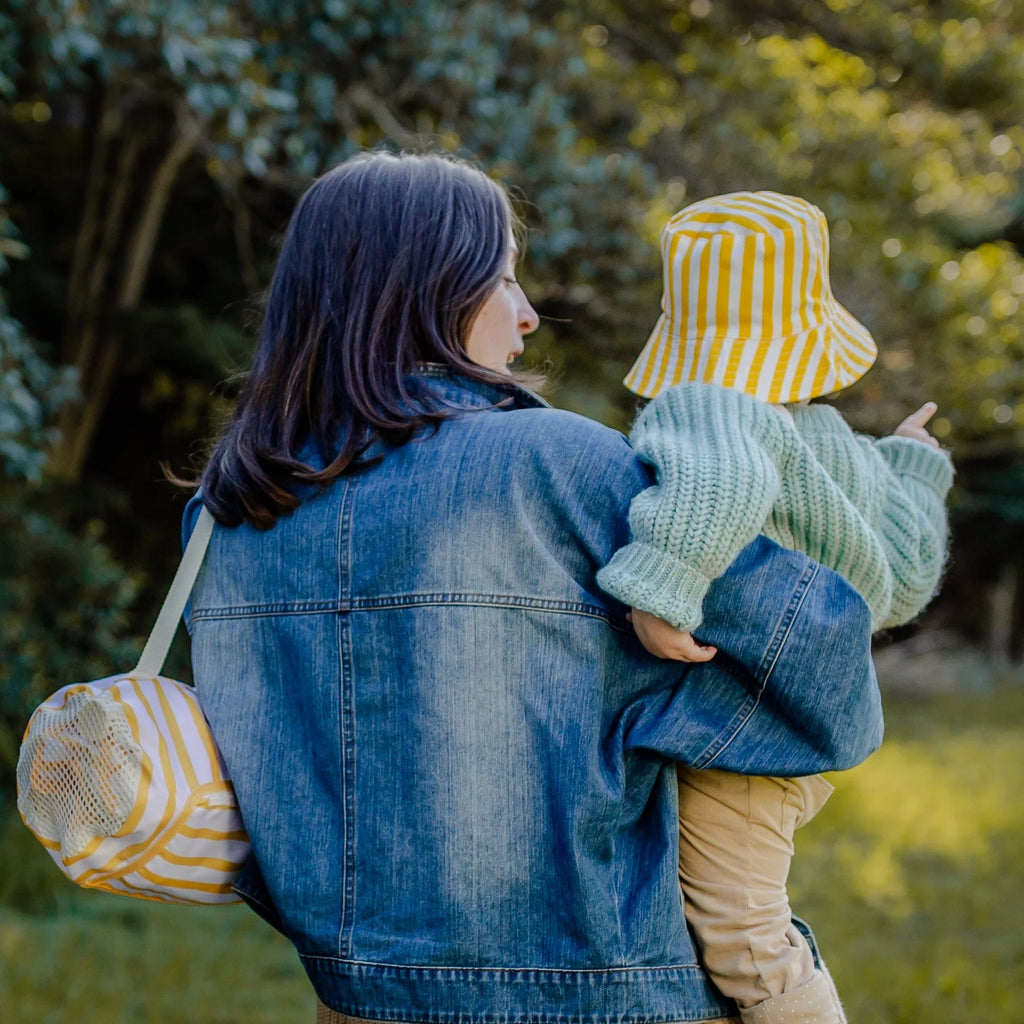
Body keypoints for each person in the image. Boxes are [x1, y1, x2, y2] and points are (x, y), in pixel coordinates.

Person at [182, 153, 883, 1024]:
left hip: (356, 999)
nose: (526, 316)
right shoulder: (564, 466)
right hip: (599, 994)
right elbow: (814, 648)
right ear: (429, 288)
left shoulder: (231, 510)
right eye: (503, 278)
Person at [598, 191, 954, 1024]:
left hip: (735, 731)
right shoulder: (839, 448)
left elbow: (722, 481)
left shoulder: (711, 405)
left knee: (742, 931)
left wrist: (660, 584)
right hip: (806, 727)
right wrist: (913, 469)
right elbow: (905, 576)